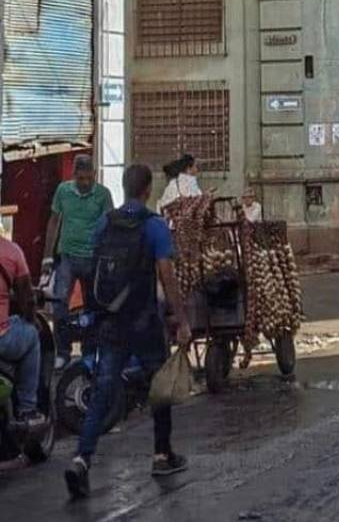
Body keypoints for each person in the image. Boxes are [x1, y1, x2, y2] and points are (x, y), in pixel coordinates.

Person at [66, 163, 192, 499]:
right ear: (147, 189)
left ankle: (81, 457)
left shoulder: (105, 223)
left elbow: (93, 267)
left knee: (104, 390)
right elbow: (166, 275)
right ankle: (162, 455)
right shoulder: (154, 226)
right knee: (159, 387)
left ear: (123, 188)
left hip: (109, 320)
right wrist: (180, 319)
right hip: (144, 321)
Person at [42, 155, 113, 368]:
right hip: (67, 257)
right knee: (60, 304)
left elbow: (109, 227)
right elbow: (54, 222)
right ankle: (62, 352)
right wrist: (47, 256)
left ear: (94, 176)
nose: (85, 183)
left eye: (88, 179)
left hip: (93, 259)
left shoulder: (103, 194)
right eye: (81, 178)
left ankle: (89, 352)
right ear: (74, 176)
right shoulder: (63, 191)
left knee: (93, 307)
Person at [0, 234, 44, 430]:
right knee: (32, 334)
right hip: (3, 340)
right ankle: (27, 408)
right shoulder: (11, 251)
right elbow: (27, 299)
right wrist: (32, 318)